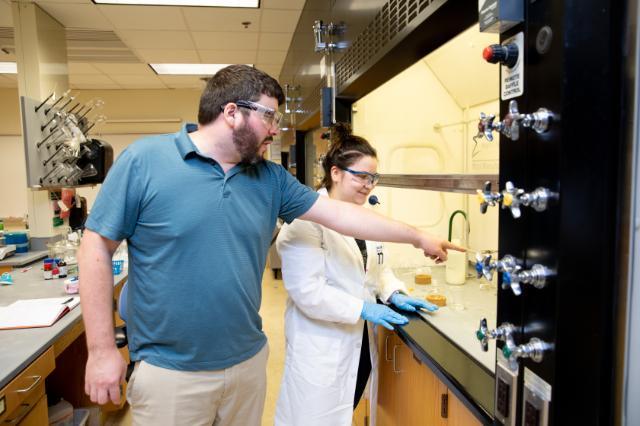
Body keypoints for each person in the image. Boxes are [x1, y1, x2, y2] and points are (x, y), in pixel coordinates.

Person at [79, 64, 463, 426]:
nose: (275, 130)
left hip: (246, 364)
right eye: (270, 116)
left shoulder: (270, 179)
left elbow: (342, 216)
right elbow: (95, 248)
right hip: (170, 371)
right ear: (232, 112)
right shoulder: (145, 161)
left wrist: (416, 235)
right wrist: (100, 351)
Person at [274, 123, 439, 426]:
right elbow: (307, 291)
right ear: (335, 173)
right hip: (322, 345)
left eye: (373, 177)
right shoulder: (305, 221)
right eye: (361, 176)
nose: (368, 184)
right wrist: (362, 308)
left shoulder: (365, 220)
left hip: (359, 342)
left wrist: (393, 293)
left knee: (346, 410)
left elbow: (377, 268)